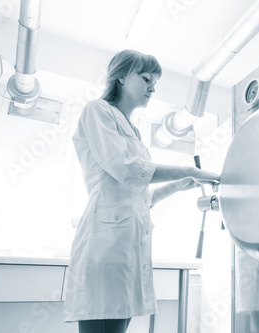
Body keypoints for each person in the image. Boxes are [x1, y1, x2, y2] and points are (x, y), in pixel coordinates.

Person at [63, 49, 220, 333]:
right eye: (146, 78)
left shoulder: (134, 133)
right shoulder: (97, 111)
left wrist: (179, 184)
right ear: (121, 76)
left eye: (154, 82)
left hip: (126, 250)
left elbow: (141, 198)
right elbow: (126, 169)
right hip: (105, 248)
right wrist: (188, 170)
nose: (152, 87)